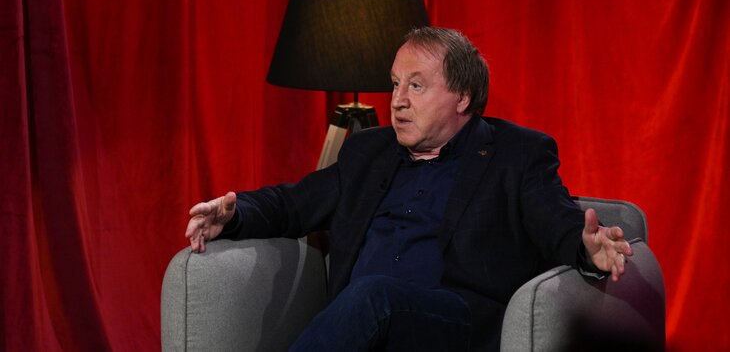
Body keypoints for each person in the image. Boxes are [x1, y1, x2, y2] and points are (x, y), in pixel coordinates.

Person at [185, 27, 633, 351]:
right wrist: (236, 213)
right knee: (369, 298)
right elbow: (294, 203)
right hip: (362, 321)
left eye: (416, 86)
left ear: (462, 97)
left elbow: (553, 217)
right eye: (395, 84)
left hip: (452, 321)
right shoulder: (368, 151)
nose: (398, 100)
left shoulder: (515, 154)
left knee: (374, 294)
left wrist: (586, 247)